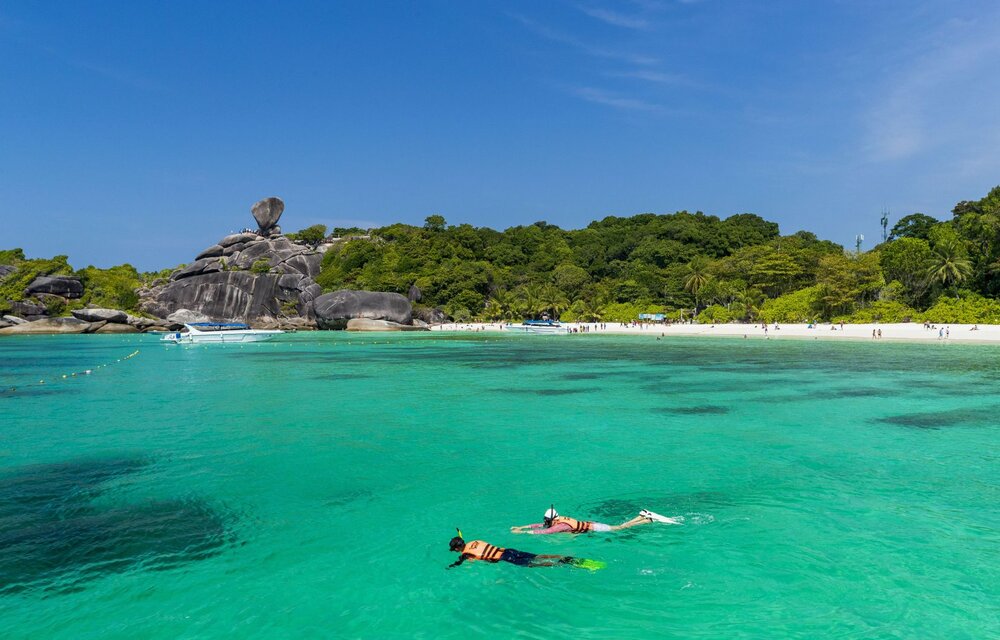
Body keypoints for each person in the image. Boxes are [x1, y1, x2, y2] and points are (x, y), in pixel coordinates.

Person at [447, 530, 599, 569]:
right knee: (538, 556)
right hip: (509, 551)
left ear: (458, 548)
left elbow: (465, 562)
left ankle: (563, 563)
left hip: (506, 558)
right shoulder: (475, 541)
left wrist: (453, 565)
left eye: (455, 550)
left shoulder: (466, 554)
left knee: (533, 564)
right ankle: (564, 557)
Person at [510, 506, 679, 535]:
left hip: (594, 528)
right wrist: (521, 527)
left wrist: (523, 533)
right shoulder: (556, 520)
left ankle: (643, 517)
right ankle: (645, 519)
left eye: (548, 520)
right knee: (619, 527)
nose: (546, 522)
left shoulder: (560, 526)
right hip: (589, 525)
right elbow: (540, 525)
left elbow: (544, 531)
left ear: (553, 519)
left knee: (619, 528)